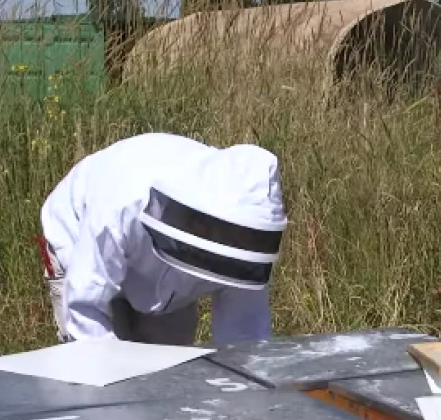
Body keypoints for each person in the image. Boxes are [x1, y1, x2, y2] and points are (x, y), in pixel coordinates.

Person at [39, 132, 286, 346]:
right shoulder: (123, 201)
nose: (238, 242)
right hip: (78, 243)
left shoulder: (247, 242)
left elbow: (244, 335)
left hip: (163, 286)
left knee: (168, 367)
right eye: (233, 236)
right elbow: (84, 312)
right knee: (97, 371)